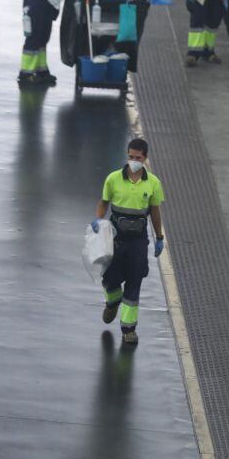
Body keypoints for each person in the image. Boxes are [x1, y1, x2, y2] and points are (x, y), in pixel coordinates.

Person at [91, 138, 165, 345]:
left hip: (138, 242)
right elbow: (104, 202)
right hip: (116, 239)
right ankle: (113, 300)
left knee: (134, 284)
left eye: (138, 158)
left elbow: (155, 211)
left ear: (145, 158)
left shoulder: (153, 184)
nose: (134, 161)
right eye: (131, 157)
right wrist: (98, 219)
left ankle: (128, 329)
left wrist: (159, 237)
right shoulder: (113, 179)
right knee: (110, 278)